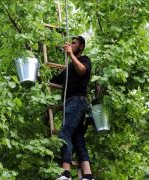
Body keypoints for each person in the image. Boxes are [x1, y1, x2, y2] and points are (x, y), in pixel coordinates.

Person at [50, 36, 94, 180]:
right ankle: (88, 175)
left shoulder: (84, 60)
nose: (70, 44)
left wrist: (70, 55)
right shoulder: (69, 68)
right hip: (72, 103)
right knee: (78, 137)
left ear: (81, 47)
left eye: (74, 43)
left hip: (77, 101)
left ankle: (66, 174)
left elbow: (82, 70)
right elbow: (53, 79)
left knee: (64, 133)